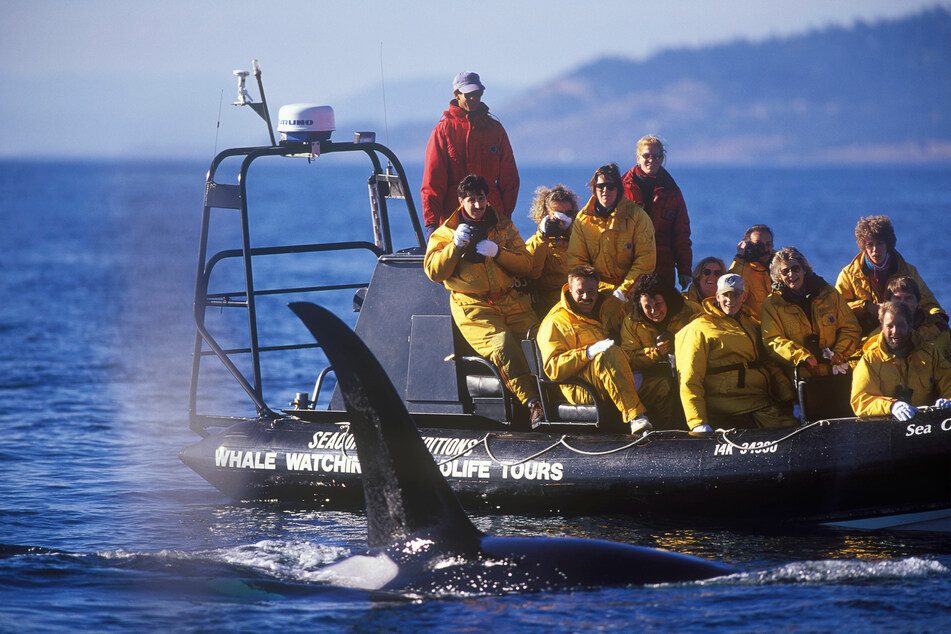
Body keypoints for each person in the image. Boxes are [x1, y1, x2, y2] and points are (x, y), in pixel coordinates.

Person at [424, 174, 542, 425]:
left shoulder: (503, 226)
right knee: (502, 344)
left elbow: (526, 264)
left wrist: (499, 253)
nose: (478, 206)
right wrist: (454, 247)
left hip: (510, 300)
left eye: (481, 199)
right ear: (460, 201)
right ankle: (534, 404)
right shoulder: (446, 233)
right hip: (472, 306)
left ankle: (559, 398)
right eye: (471, 200)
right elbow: (434, 272)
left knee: (540, 336)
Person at [674, 273, 797, 431]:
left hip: (761, 403)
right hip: (725, 409)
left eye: (735, 295)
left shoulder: (753, 324)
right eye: (726, 295)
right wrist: (698, 423)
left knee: (791, 429)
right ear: (717, 296)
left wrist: (789, 397)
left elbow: (769, 364)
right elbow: (689, 379)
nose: (730, 300)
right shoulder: (698, 328)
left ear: (744, 297)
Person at [537, 265, 651, 434]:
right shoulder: (556, 323)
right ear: (569, 290)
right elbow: (554, 368)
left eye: (591, 292)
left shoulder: (605, 309)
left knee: (660, 383)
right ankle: (635, 416)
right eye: (580, 292)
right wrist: (588, 353)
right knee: (609, 354)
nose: (586, 297)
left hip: (616, 374)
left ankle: (673, 433)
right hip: (580, 387)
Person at [420, 71, 519, 238]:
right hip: (453, 220)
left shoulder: (495, 130)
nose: (474, 98)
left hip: (492, 218)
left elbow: (510, 179)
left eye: (478, 93)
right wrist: (431, 225)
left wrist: (505, 218)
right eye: (469, 94)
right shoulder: (442, 131)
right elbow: (433, 182)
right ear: (456, 94)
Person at [836, 214, 947, 336]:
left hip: (902, 333)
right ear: (863, 246)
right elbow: (838, 309)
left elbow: (927, 302)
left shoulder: (908, 271)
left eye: (880, 243)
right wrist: (867, 307)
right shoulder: (849, 274)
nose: (875, 250)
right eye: (870, 244)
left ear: (888, 244)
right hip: (864, 337)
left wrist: (938, 317)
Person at [761, 247, 861, 378]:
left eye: (795, 269)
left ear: (804, 270)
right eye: (785, 271)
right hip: (801, 377)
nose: (791, 274)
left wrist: (839, 353)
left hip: (835, 372)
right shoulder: (772, 304)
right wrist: (802, 357)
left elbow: (851, 328)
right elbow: (773, 340)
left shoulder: (829, 294)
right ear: (778, 276)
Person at [566, 163, 656, 304]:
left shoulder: (637, 216)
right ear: (594, 188)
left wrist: (623, 293)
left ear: (619, 189)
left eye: (611, 186)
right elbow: (576, 261)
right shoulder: (583, 220)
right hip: (595, 294)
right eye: (600, 186)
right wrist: (596, 291)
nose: (605, 190)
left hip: (631, 294)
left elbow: (646, 260)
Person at [620, 273, 700, 429]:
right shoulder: (632, 322)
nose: (653, 311)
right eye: (647, 307)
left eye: (658, 304)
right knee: (664, 387)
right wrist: (655, 352)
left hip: (690, 370)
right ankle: (670, 432)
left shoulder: (689, 310)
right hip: (651, 377)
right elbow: (628, 357)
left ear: (667, 299)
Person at [851, 301, 951, 419]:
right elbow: (861, 400)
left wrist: (949, 400)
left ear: (910, 326)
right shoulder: (870, 360)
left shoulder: (930, 353)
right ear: (882, 326)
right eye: (890, 326)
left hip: (925, 425)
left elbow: (948, 382)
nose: (895, 331)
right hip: (885, 429)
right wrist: (892, 406)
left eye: (901, 325)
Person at [621, 135, 692, 290]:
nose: (651, 160)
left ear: (661, 158)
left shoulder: (672, 191)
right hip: (628, 266)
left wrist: (684, 270)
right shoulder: (621, 188)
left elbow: (681, 232)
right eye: (646, 155)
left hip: (661, 267)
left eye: (656, 156)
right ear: (638, 158)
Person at [861, 276, 951, 362]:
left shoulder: (939, 329)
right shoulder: (875, 339)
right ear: (888, 303)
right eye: (897, 298)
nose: (903, 303)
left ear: (918, 301)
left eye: (908, 298)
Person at [524, 185, 580, 318]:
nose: (563, 218)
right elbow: (531, 272)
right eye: (558, 214)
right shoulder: (536, 241)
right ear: (545, 214)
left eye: (568, 214)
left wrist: (571, 230)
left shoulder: (580, 237)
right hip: (553, 304)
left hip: (580, 297)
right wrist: (543, 236)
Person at [728, 224, 775, 317]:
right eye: (759, 245)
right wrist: (741, 258)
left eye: (768, 244)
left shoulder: (782, 266)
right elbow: (733, 292)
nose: (765, 249)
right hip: (754, 327)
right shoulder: (742, 268)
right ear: (748, 246)